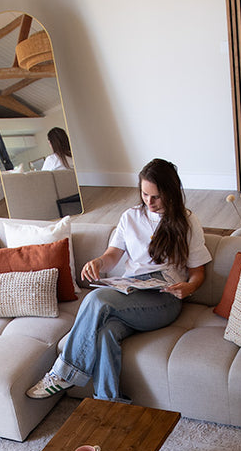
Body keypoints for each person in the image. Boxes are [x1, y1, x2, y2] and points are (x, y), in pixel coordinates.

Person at [26, 158, 211, 402]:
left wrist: (189, 287)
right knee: (106, 333)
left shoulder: (187, 223)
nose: (149, 202)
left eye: (156, 196)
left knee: (96, 299)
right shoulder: (130, 217)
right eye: (145, 194)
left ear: (171, 193)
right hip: (130, 293)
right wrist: (99, 263)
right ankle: (109, 404)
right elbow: (113, 255)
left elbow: (198, 272)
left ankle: (64, 373)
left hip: (164, 300)